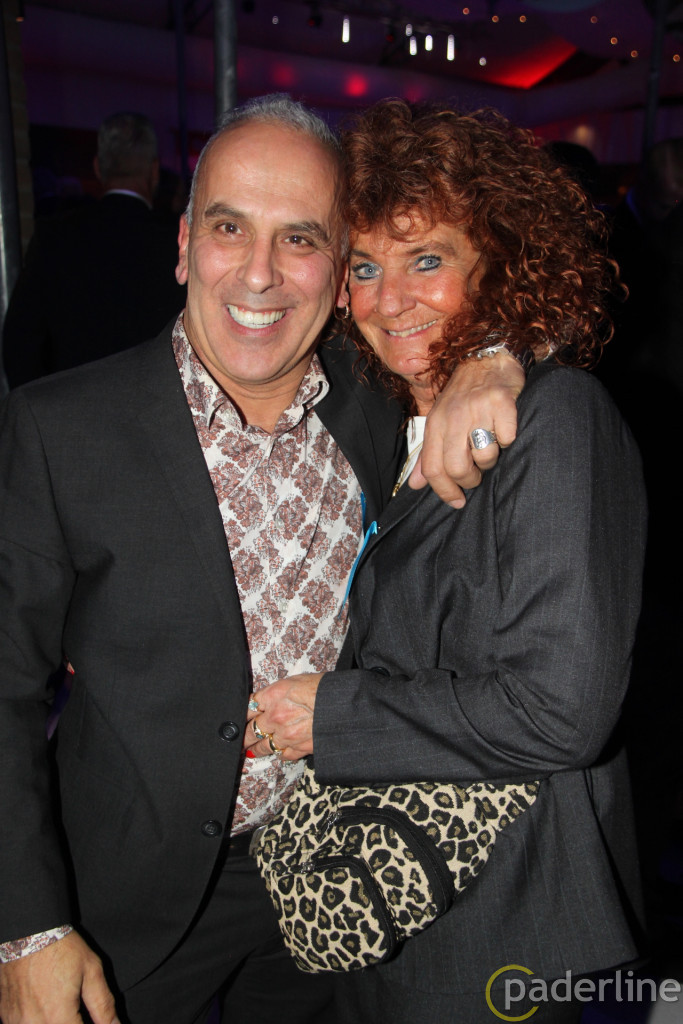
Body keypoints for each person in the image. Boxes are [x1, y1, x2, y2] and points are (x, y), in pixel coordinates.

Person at [0, 96, 525, 1024]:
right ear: (182, 244)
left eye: (300, 239)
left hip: (325, 877)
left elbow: (515, 301)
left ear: (339, 272)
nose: (258, 273)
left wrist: (496, 357)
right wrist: (28, 927)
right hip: (120, 902)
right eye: (228, 227)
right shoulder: (59, 428)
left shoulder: (381, 401)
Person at [246, 100, 648, 1024]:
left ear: (495, 263)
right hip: (397, 892)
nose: (389, 299)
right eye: (364, 267)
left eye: (426, 260)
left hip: (500, 922)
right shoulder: (386, 410)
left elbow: (561, 712)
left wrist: (331, 715)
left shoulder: (557, 420)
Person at [2, 112, 186, 387]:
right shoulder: (176, 241)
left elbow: (21, 341)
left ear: (98, 168)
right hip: (157, 402)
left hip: (72, 404)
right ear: (154, 171)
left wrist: (41, 406)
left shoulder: (55, 236)